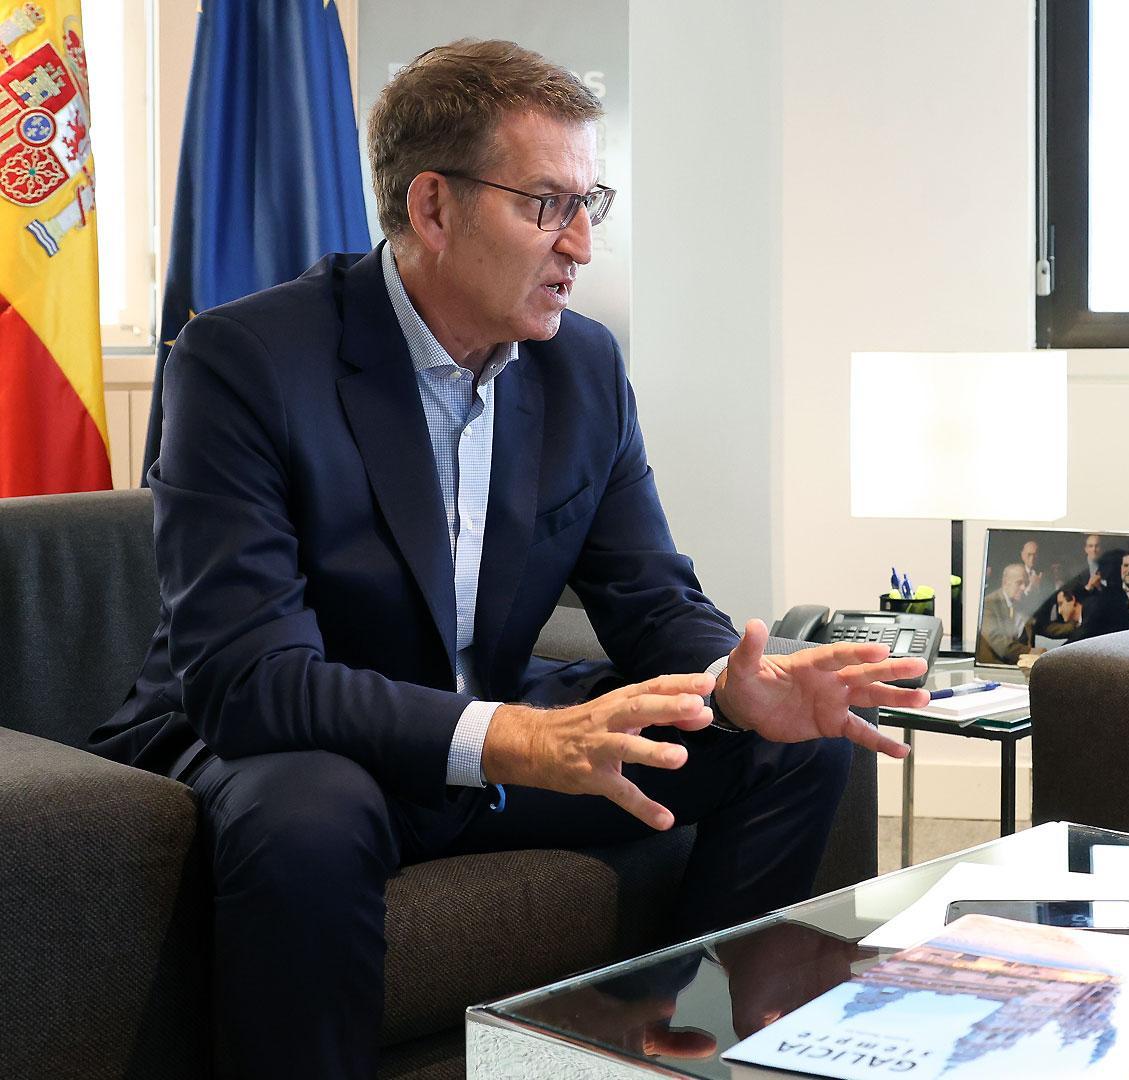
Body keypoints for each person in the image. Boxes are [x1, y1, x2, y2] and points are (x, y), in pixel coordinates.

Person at [86, 40, 927, 1079]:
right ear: (432, 207)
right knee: (308, 817)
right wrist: (512, 737)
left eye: (590, 204)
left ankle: (677, 1057)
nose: (580, 244)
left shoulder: (583, 364)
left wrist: (730, 680)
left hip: (489, 712)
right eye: (546, 205)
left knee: (798, 745)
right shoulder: (244, 361)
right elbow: (248, 679)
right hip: (295, 739)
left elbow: (647, 593)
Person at [977, 561, 1039, 665]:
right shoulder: (988, 604)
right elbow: (997, 641)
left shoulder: (1023, 605)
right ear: (1005, 583)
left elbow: (1044, 627)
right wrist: (1030, 652)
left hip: (1020, 669)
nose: (1023, 588)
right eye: (1019, 583)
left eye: (1026, 583)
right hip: (994, 669)